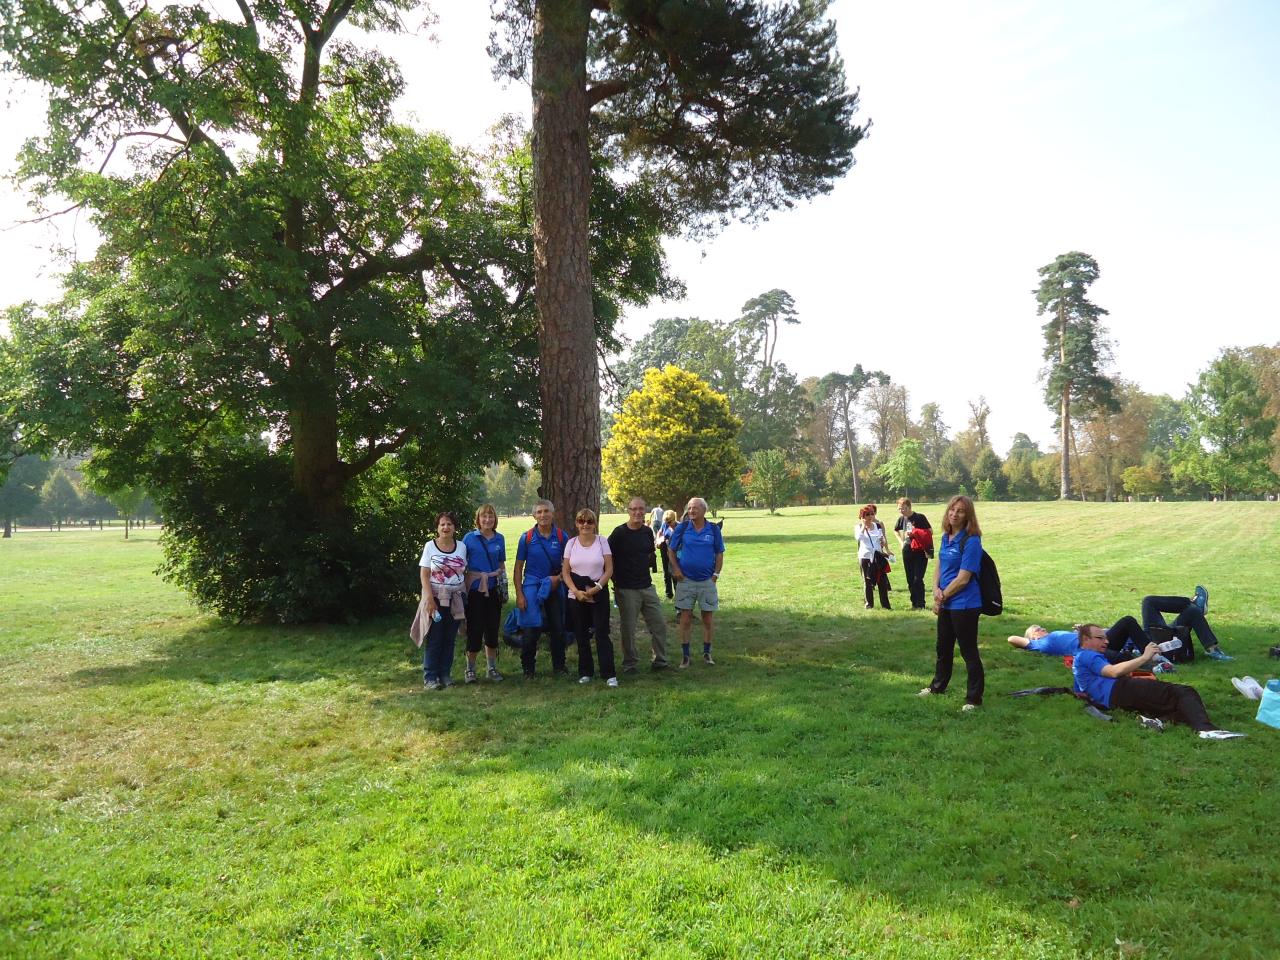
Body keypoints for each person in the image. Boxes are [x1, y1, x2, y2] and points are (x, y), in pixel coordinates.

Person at [1071, 623, 1244, 739]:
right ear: (1086, 640)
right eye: (1100, 637)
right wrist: (1145, 657)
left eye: (1105, 637)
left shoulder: (1081, 660)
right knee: (1184, 692)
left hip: (1116, 699)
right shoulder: (1088, 655)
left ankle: (1158, 721)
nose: (1106, 641)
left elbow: (1082, 689)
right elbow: (1114, 672)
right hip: (1121, 691)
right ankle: (1207, 730)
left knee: (1176, 703)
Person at [919, 495, 985, 710]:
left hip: (965, 604)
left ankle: (973, 698)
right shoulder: (946, 537)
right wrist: (935, 591)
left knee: (968, 651)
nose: (954, 514)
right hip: (945, 601)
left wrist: (943, 595)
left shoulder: (972, 540)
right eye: (952, 510)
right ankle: (937, 686)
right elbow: (939, 565)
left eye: (960, 511)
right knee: (943, 648)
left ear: (968, 515)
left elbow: (964, 578)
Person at [608, 497, 671, 672]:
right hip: (626, 589)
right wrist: (615, 582)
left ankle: (660, 662)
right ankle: (630, 664)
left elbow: (650, 555)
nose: (637, 512)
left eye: (641, 509)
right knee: (628, 629)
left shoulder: (646, 532)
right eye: (634, 509)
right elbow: (607, 559)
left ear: (645, 511)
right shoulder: (619, 533)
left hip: (647, 586)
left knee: (659, 624)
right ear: (628, 511)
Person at [512, 499, 569, 679]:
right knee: (530, 629)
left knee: (558, 629)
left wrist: (558, 578)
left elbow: (568, 566)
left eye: (546, 511)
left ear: (553, 514)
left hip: (555, 586)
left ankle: (559, 667)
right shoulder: (527, 538)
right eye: (539, 512)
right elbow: (518, 567)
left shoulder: (561, 537)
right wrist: (520, 594)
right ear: (534, 515)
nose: (543, 515)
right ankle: (528, 669)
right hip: (531, 587)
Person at [562, 507, 618, 687]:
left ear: (595, 524)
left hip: (598, 592)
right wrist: (576, 592)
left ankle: (609, 673)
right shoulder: (571, 543)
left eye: (589, 521)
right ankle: (585, 671)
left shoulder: (602, 542)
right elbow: (566, 572)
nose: (585, 525)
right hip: (576, 594)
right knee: (581, 634)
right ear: (576, 524)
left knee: (602, 633)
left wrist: (597, 588)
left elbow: (609, 569)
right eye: (581, 521)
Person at [668, 496, 725, 668]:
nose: (691, 511)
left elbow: (719, 554)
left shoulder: (713, 530)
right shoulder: (683, 528)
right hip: (686, 581)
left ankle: (707, 654)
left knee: (707, 619)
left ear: (704, 511)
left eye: (695, 508)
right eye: (690, 508)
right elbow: (671, 550)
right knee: (685, 619)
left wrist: (715, 576)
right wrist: (677, 570)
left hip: (707, 581)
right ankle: (685, 656)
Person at [419, 511, 468, 691]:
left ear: (454, 527)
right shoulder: (429, 546)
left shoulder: (462, 547)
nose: (446, 527)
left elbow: (464, 572)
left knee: (449, 638)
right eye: (442, 524)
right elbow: (424, 574)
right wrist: (429, 599)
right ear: (437, 528)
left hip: (456, 599)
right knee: (435, 638)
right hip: (436, 599)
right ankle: (430, 677)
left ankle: (445, 674)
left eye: (449, 524)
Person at [1009, 620, 1175, 671]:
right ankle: (1156, 665)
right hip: (1090, 651)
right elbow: (1012, 639)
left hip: (1098, 640)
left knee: (1128, 622)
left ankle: (1154, 654)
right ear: (1033, 636)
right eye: (1038, 629)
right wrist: (1029, 641)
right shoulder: (1039, 644)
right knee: (1122, 658)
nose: (1043, 628)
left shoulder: (1053, 636)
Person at [462, 503, 506, 683]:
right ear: (478, 519)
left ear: (495, 519)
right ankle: (470, 670)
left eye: (491, 516)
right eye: (484, 516)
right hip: (474, 590)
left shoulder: (500, 539)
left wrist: (503, 585)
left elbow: (501, 565)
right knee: (475, 629)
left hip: (493, 589)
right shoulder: (469, 538)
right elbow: (461, 564)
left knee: (492, 629)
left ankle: (491, 668)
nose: (487, 519)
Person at [1141, 586, 1233, 660]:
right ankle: (1191, 603)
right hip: (1155, 644)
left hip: (1157, 638)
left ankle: (1213, 650)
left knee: (1193, 611)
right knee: (1148, 601)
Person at [893, 497, 932, 610]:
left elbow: (930, 532)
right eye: (899, 509)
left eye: (903, 508)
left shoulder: (920, 517)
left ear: (909, 507)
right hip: (907, 550)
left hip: (920, 551)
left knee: (917, 578)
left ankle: (921, 604)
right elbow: (895, 530)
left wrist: (916, 533)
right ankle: (914, 603)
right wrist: (901, 542)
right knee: (910, 579)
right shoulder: (901, 519)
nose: (901, 511)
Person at [855, 504, 892, 610]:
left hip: (878, 556)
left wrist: (882, 542)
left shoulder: (877, 526)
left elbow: (882, 539)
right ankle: (869, 604)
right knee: (868, 581)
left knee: (882, 581)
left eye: (872, 514)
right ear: (862, 516)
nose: (870, 516)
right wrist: (863, 527)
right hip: (866, 557)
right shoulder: (858, 527)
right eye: (867, 515)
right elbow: (858, 537)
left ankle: (886, 605)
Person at [657, 508, 678, 599]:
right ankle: (668, 593)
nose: (667, 524)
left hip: (676, 551)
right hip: (665, 549)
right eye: (666, 522)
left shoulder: (679, 527)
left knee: (675, 570)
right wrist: (658, 540)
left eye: (669, 522)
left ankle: (678, 591)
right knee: (666, 571)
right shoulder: (665, 524)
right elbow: (660, 532)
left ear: (674, 519)